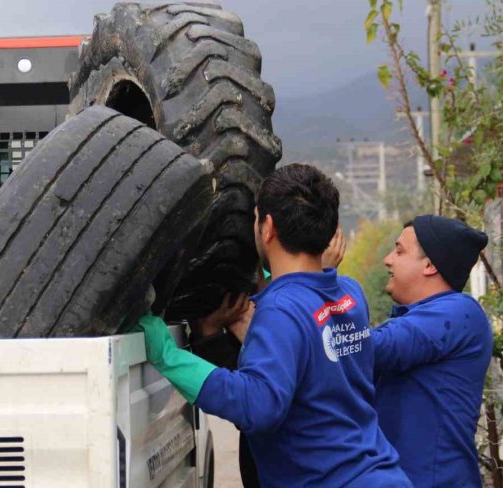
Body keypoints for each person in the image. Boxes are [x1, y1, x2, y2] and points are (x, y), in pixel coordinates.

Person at [137, 163, 410, 487]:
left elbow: (258, 405)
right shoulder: (350, 293)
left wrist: (168, 356)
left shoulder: (279, 309)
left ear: (267, 228)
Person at [190, 227, 347, 488]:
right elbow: (247, 398)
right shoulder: (246, 302)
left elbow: (263, 404)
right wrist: (211, 334)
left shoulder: (306, 307)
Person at [374, 215, 492, 487]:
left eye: (399, 250)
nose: (388, 259)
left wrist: (324, 286)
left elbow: (375, 348)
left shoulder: (460, 311)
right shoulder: (411, 319)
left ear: (429, 265)